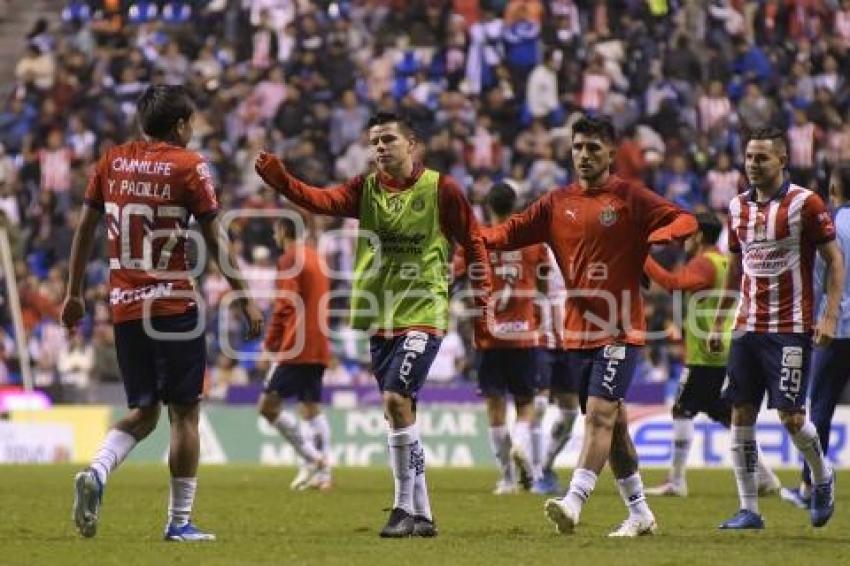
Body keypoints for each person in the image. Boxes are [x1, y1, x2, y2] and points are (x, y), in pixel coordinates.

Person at [254, 111, 491, 538]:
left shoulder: (443, 189)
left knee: (397, 400)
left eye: (388, 140)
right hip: (379, 317)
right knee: (402, 413)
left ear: (412, 145)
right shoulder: (364, 189)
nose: (380, 148)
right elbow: (318, 200)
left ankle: (402, 508)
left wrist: (483, 306)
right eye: (374, 141)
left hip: (424, 312)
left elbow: (473, 241)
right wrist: (282, 181)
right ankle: (424, 514)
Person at [63, 85, 264, 541]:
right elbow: (216, 239)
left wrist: (74, 293)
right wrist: (245, 296)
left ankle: (96, 472)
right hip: (174, 304)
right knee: (185, 414)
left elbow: (84, 232)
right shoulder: (189, 166)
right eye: (191, 122)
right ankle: (179, 522)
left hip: (126, 307)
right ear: (180, 126)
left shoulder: (111, 161)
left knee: (144, 412)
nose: (194, 130)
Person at [483, 115, 698, 537]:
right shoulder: (554, 202)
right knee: (614, 427)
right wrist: (470, 233)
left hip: (620, 326)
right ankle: (640, 513)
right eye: (579, 148)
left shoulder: (630, 197)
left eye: (593, 149)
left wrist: (658, 235)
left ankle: (573, 502)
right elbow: (508, 232)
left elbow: (687, 221)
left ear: (611, 153)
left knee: (599, 416)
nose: (584, 156)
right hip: (577, 330)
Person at [709, 128, 844, 530]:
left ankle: (822, 477)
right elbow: (737, 266)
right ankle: (749, 508)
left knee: (790, 416)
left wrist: (830, 314)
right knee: (741, 413)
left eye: (762, 158)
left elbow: (834, 260)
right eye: (749, 156)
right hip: (747, 326)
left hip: (790, 327)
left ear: (782, 160)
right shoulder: (736, 207)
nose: (753, 164)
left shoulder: (806, 203)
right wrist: (720, 317)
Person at [642, 212, 781, 497]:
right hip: (723, 349)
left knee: (682, 410)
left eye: (687, 236)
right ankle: (765, 477)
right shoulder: (721, 262)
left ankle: (677, 481)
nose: (683, 242)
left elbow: (671, 284)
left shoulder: (705, 264)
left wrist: (641, 258)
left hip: (706, 354)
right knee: (727, 415)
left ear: (699, 236)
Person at [454, 182, 548, 495]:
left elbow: (451, 276)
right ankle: (521, 445)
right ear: (516, 205)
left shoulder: (475, 239)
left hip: (489, 338)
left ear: (488, 208)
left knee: (495, 409)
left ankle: (507, 479)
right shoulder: (534, 243)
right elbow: (547, 280)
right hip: (524, 336)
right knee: (525, 404)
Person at [779, 165, 850, 509]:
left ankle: (811, 487)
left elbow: (816, 278)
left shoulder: (829, 227)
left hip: (833, 330)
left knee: (818, 408)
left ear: (834, 189)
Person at [257, 215, 333, 491]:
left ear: (282, 230)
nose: (274, 236)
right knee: (311, 408)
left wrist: (269, 346)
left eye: (275, 230)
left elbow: (284, 305)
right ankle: (323, 475)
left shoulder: (290, 258)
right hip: (318, 342)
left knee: (267, 407)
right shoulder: (317, 257)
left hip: (296, 344)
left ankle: (315, 460)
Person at [532, 247, 580, 495]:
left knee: (571, 412)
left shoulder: (580, 248)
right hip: (540, 340)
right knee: (537, 405)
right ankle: (532, 472)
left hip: (572, 341)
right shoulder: (537, 249)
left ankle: (545, 466)